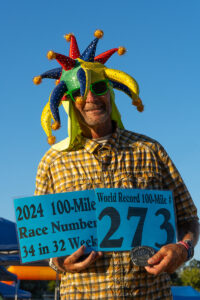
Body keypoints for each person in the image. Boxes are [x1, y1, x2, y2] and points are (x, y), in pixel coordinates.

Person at [34, 30, 199, 299]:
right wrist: (58, 263)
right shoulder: (51, 162)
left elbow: (188, 217)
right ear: (68, 101)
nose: (91, 98)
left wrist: (183, 248)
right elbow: (44, 241)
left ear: (109, 92)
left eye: (99, 88)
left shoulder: (150, 150)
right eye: (79, 92)